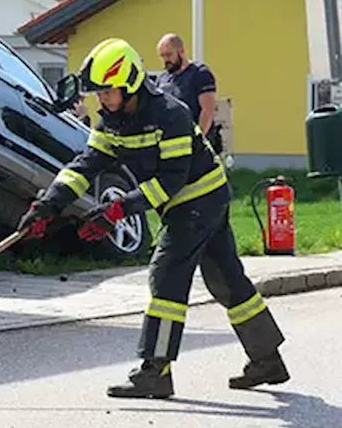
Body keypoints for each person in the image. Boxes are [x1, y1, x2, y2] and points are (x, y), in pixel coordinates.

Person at [18, 38, 289, 399]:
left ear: (129, 84)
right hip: (191, 201)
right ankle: (267, 359)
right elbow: (85, 166)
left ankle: (155, 371)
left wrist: (117, 210)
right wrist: (46, 207)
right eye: (99, 93)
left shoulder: (170, 115)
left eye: (107, 92)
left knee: (166, 276)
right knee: (226, 279)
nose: (102, 100)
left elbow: (170, 182)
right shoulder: (112, 121)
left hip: (198, 199)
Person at [156, 33, 221, 153]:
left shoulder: (200, 73)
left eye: (169, 54)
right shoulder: (162, 79)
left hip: (195, 144)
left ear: (181, 51)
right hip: (172, 144)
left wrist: (198, 141)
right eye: (162, 56)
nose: (166, 59)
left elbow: (207, 111)